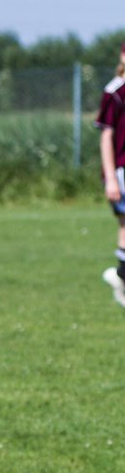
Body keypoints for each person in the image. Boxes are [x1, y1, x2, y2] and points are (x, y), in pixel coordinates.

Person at [98, 43, 125, 308]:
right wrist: (111, 177)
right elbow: (106, 136)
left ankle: (120, 279)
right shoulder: (115, 91)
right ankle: (121, 277)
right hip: (122, 169)